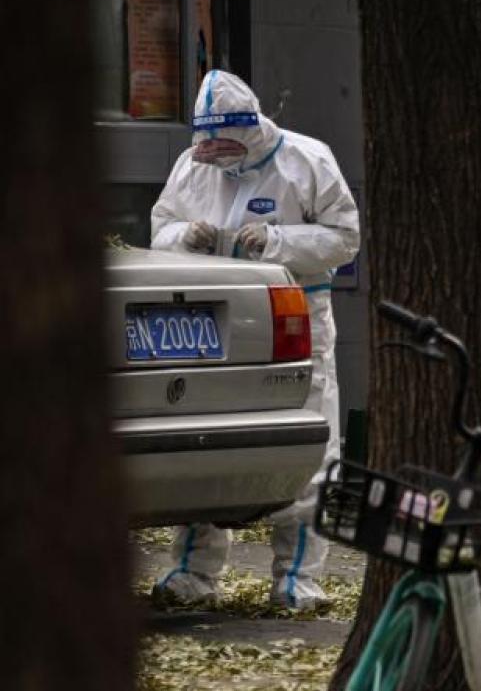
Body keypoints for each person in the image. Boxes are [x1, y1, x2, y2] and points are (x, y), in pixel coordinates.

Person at [149, 70, 360, 609]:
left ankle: (297, 577)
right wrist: (182, 238)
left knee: (308, 448)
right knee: (205, 446)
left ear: (248, 130)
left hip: (293, 318)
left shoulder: (305, 161)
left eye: (221, 143)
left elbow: (345, 238)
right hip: (211, 327)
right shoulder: (193, 167)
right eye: (204, 142)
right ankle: (194, 573)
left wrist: (277, 242)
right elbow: (162, 226)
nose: (210, 154)